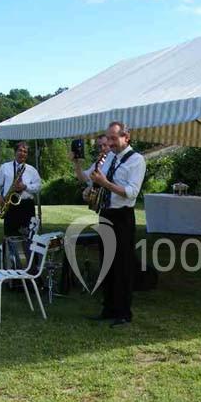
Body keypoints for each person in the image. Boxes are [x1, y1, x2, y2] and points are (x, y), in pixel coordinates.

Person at [87, 121, 146, 327]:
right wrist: (94, 185)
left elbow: (131, 192)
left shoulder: (136, 160)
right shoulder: (110, 156)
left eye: (113, 138)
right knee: (106, 262)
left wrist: (105, 184)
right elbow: (95, 180)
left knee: (122, 265)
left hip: (122, 217)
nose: (109, 143)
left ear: (126, 137)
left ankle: (123, 312)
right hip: (106, 213)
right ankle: (108, 307)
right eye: (108, 138)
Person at [0, 141, 42, 236]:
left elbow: (39, 186)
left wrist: (26, 187)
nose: (22, 153)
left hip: (27, 206)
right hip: (10, 205)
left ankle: (26, 250)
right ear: (15, 152)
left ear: (27, 155)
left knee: (28, 235)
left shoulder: (32, 170)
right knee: (10, 235)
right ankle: (11, 250)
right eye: (20, 150)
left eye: (25, 151)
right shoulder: (5, 167)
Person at [72, 135, 113, 203]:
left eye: (105, 145)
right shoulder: (100, 162)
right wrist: (76, 163)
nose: (102, 148)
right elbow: (83, 179)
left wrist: (91, 188)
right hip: (104, 205)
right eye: (100, 146)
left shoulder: (116, 160)